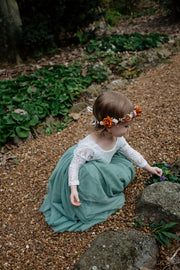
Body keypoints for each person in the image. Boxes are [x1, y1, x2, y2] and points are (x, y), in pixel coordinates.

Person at [39, 91, 162, 232]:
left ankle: (103, 182)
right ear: (110, 125)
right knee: (89, 174)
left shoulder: (117, 138)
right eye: (126, 126)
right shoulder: (89, 147)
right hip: (83, 169)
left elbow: (130, 152)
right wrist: (73, 189)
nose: (129, 129)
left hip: (102, 162)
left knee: (125, 166)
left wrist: (149, 167)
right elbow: (74, 166)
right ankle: (94, 197)